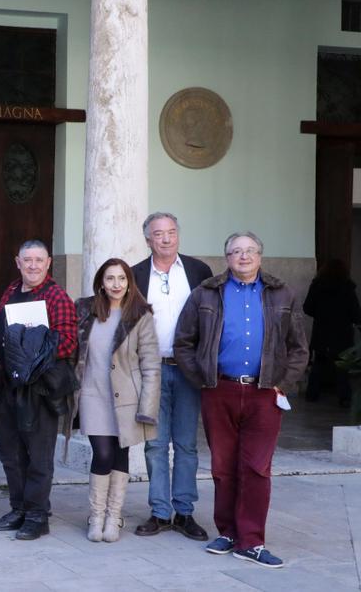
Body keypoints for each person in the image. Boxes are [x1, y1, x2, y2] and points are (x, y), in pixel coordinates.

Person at [174, 231, 309, 569]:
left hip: (265, 392)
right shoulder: (207, 293)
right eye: (236, 252)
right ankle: (229, 532)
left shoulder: (281, 294)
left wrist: (282, 384)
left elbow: (298, 348)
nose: (244, 257)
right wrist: (203, 379)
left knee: (257, 467)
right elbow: (183, 342)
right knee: (222, 467)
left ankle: (252, 540)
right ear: (227, 258)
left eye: (250, 251)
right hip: (220, 390)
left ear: (260, 257)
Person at [0, 239, 78, 540]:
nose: (33, 265)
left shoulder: (57, 297)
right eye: (28, 260)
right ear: (18, 262)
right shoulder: (11, 291)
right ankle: (19, 508)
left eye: (39, 260)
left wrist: (31, 349)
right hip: (10, 386)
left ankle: (38, 515)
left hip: (39, 388)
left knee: (38, 454)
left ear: (48, 262)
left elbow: (67, 342)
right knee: (10, 452)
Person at [130, 212, 213, 540]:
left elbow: (211, 319)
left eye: (171, 232)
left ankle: (185, 512)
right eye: (158, 234)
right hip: (151, 370)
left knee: (187, 445)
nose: (166, 238)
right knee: (155, 445)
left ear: (178, 235)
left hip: (188, 371)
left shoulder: (198, 271)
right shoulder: (135, 274)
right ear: (148, 239)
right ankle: (160, 512)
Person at [72, 258, 160, 543]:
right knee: (103, 453)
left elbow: (150, 365)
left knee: (120, 453)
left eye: (121, 279)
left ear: (129, 282)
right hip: (92, 394)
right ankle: (96, 515)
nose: (116, 284)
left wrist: (147, 407)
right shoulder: (85, 310)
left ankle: (114, 516)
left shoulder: (140, 315)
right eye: (110, 279)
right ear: (101, 282)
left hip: (126, 397)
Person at [302, 258, 361, 407]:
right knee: (342, 368)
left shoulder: (317, 285)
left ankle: (312, 395)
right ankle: (344, 397)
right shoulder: (348, 287)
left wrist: (321, 314)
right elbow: (355, 313)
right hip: (343, 334)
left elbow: (307, 307)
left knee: (318, 365)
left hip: (322, 331)